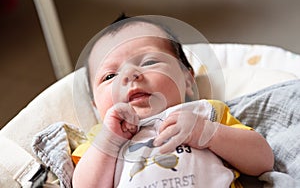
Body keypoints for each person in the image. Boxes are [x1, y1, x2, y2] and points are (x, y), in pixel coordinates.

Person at [72, 15, 274, 188]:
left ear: (187, 79)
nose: (129, 75)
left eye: (149, 62)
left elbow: (263, 161)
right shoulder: (99, 138)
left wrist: (208, 133)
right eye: (109, 76)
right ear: (96, 106)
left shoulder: (205, 112)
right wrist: (109, 140)